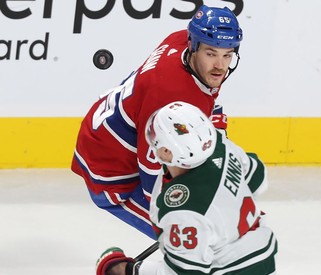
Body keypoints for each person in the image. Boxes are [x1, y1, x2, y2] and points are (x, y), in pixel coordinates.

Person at [71, 5, 243, 239]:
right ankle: (116, 271)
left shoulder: (183, 43)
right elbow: (152, 177)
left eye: (227, 55)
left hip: (110, 131)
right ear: (193, 46)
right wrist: (183, 221)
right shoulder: (168, 97)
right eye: (211, 53)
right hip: (113, 174)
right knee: (196, 243)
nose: (220, 66)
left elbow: (206, 102)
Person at [96, 101, 278, 275]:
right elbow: (257, 177)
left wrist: (124, 270)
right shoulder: (219, 144)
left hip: (231, 274)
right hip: (261, 260)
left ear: (167, 152)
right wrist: (227, 213)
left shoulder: (182, 209)